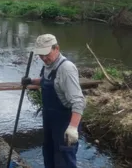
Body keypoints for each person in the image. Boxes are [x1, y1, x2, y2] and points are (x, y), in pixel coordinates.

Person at [21, 34, 85, 168]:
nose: (44, 58)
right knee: (49, 154)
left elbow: (79, 102)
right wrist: (32, 81)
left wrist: (73, 128)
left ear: (57, 48)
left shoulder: (66, 68)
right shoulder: (48, 65)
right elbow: (48, 81)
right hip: (50, 119)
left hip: (64, 122)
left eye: (46, 54)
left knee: (64, 160)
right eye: (40, 55)